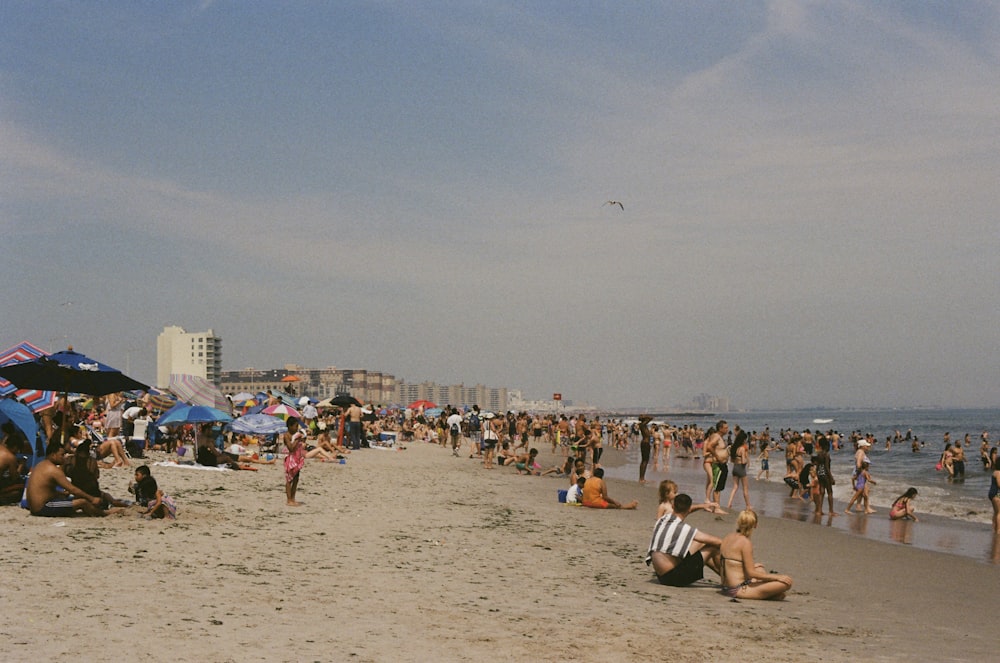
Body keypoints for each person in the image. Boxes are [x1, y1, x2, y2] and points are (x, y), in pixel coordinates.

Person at [646, 493, 721, 587]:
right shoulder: (684, 528)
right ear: (689, 508)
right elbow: (717, 541)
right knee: (712, 547)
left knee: (699, 544)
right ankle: (729, 581)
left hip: (661, 576)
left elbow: (686, 510)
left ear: (673, 506)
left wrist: (703, 506)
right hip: (673, 578)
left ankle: (723, 576)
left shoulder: (663, 519)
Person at [719, 510, 793, 600]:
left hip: (725, 587)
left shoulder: (727, 537)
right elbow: (751, 573)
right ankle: (768, 595)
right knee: (786, 583)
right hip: (737, 590)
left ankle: (769, 594)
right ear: (755, 525)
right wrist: (778, 577)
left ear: (738, 522)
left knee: (760, 568)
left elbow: (732, 564)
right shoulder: (745, 543)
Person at [25, 439, 105, 517]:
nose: (64, 457)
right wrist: (92, 499)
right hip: (44, 507)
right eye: (62, 455)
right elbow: (72, 489)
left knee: (75, 499)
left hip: (34, 507)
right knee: (82, 502)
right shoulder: (53, 470)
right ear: (53, 455)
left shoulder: (40, 465)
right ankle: (105, 513)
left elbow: (45, 489)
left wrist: (61, 494)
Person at [703, 421, 730, 513]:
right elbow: (710, 446)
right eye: (725, 428)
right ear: (720, 428)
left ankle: (716, 506)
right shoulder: (716, 436)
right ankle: (717, 507)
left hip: (722, 464)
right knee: (717, 486)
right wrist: (718, 457)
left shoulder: (720, 437)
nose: (727, 429)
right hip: (718, 464)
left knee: (720, 486)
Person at [726, 430, 752, 511]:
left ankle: (729, 502)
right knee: (745, 488)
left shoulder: (734, 448)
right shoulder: (742, 449)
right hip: (741, 468)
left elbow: (732, 461)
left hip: (735, 468)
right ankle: (748, 505)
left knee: (735, 487)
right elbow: (744, 461)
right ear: (743, 439)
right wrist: (747, 461)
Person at [283, 418, 305, 506]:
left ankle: (293, 498)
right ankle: (289, 500)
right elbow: (291, 448)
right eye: (295, 426)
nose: (296, 428)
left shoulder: (296, 435)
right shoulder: (287, 436)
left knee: (296, 479)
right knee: (289, 480)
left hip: (297, 458)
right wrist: (296, 440)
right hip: (290, 459)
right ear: (290, 426)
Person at [638, 415, 652, 484]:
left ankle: (642, 478)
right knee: (645, 461)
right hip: (645, 443)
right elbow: (651, 418)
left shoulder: (643, 425)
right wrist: (646, 416)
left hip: (645, 443)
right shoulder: (642, 425)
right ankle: (641, 478)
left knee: (644, 461)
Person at [989, 455, 1000, 533]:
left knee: (996, 512)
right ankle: (998, 530)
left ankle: (994, 527)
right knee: (999, 513)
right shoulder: (999, 472)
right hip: (997, 494)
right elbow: (999, 484)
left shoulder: (995, 472)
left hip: (992, 493)